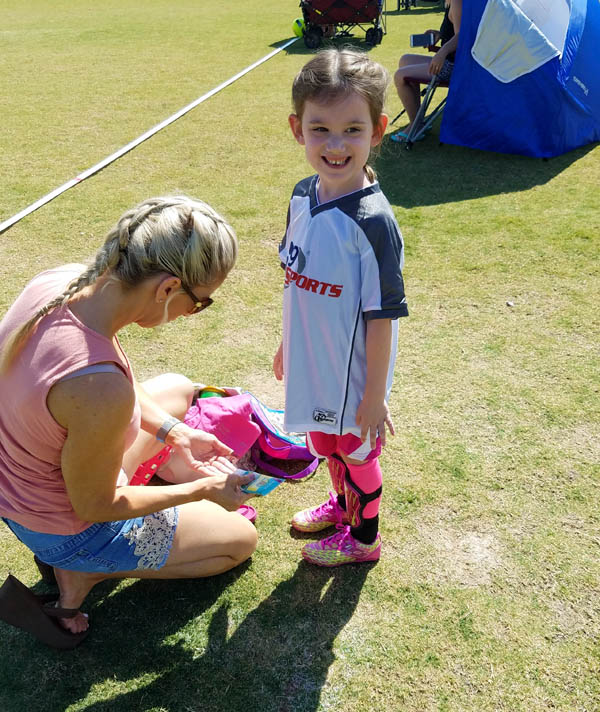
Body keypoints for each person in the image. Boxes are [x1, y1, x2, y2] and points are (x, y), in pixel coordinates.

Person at [0, 196, 258, 647]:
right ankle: (81, 570)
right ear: (167, 288)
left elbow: (92, 388)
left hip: (23, 488)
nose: (191, 315)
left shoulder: (62, 284)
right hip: (64, 525)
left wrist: (175, 433)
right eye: (199, 303)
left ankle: (81, 560)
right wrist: (202, 491)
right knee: (239, 540)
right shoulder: (99, 389)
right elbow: (96, 507)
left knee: (177, 388)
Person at [273, 49, 408, 567]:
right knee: (326, 442)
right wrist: (288, 342)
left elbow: (382, 319)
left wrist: (375, 396)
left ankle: (365, 538)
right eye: (320, 128)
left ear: (377, 131)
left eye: (352, 129)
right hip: (314, 358)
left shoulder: (373, 223)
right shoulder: (302, 195)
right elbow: (296, 277)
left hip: (352, 373)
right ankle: (342, 505)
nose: (335, 144)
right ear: (296, 128)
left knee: (357, 449)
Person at [391, 0, 463, 142]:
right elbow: (453, 31)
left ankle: (415, 126)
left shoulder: (457, 1)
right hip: (448, 61)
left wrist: (442, 51)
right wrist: (439, 35)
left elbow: (462, 37)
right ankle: (418, 119)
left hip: (453, 67)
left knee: (400, 76)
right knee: (405, 59)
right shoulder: (451, 0)